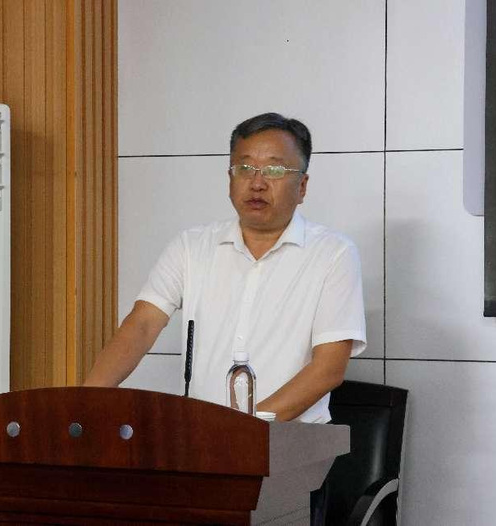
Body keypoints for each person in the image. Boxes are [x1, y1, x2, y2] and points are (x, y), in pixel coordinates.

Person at [85, 113, 366, 422]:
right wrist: (81, 405)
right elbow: (141, 326)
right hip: (202, 436)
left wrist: (242, 431)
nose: (257, 183)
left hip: (292, 439)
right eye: (244, 168)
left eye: (274, 170)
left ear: (302, 186)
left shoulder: (333, 254)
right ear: (229, 178)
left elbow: (328, 368)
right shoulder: (191, 247)